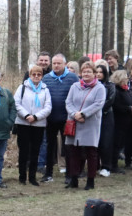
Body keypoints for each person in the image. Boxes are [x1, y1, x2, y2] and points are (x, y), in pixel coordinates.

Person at [64, 62, 107, 190]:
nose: (86, 74)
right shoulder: (75, 86)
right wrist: (74, 114)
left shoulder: (99, 88)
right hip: (74, 122)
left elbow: (98, 104)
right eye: (84, 71)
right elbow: (68, 102)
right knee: (73, 151)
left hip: (90, 123)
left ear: (94, 74)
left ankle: (90, 180)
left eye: (89, 71)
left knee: (91, 153)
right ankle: (74, 179)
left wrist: (83, 114)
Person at [13, 65, 52, 186]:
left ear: (41, 76)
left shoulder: (45, 90)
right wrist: (26, 116)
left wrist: (35, 117)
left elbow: (48, 107)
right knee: (24, 151)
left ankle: (32, 177)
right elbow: (16, 103)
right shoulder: (22, 87)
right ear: (30, 75)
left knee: (35, 151)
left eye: (39, 74)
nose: (36, 76)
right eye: (33, 74)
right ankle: (22, 177)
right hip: (23, 123)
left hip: (38, 124)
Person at [43, 55, 79, 183]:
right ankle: (48, 174)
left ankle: (70, 174)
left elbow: (77, 95)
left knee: (68, 146)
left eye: (59, 63)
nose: (56, 65)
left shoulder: (73, 78)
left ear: (64, 64)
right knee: (50, 146)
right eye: (54, 63)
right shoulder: (46, 78)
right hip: (51, 118)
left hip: (67, 118)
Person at [95, 63, 118, 176]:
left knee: (106, 141)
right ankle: (95, 165)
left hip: (106, 115)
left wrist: (98, 108)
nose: (99, 74)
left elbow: (110, 100)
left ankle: (106, 166)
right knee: (95, 142)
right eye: (97, 72)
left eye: (101, 72)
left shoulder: (110, 85)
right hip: (93, 116)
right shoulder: (92, 85)